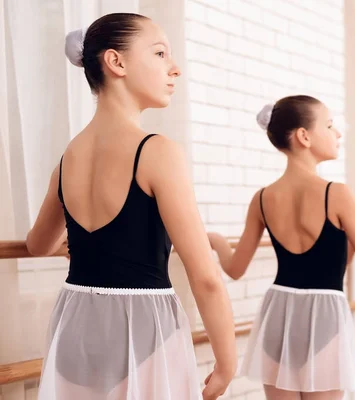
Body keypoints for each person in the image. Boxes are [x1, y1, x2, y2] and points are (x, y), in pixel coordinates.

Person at [26, 13, 236, 400]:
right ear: (116, 62)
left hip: (76, 326)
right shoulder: (157, 153)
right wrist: (227, 361)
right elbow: (204, 276)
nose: (175, 69)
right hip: (145, 330)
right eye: (159, 53)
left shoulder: (68, 158)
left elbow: (37, 245)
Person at [208, 95, 355, 400]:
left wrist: (218, 243)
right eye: (329, 125)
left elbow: (234, 269)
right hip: (325, 318)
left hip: (278, 316)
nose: (337, 133)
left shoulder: (262, 198)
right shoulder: (337, 194)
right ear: (304, 136)